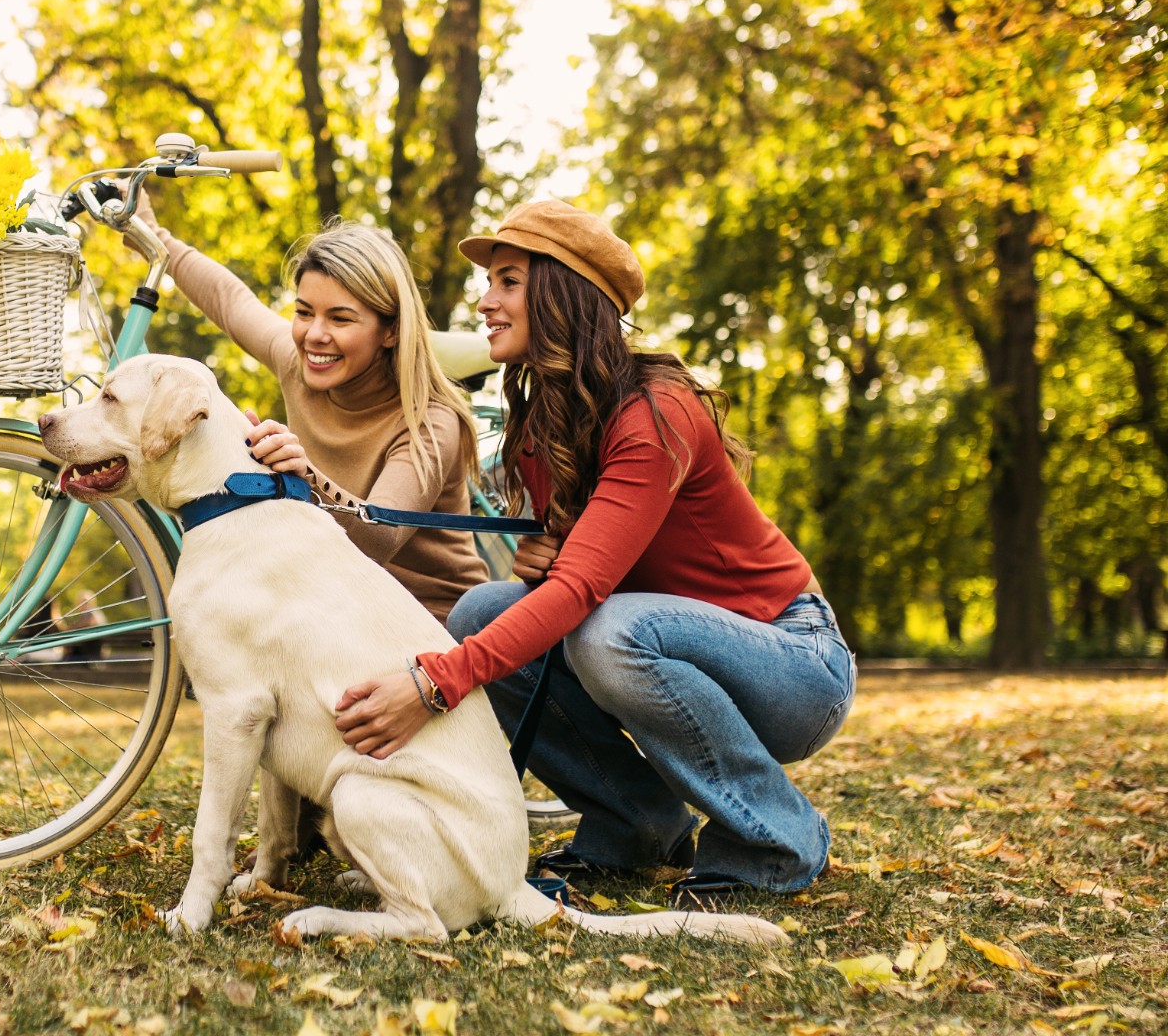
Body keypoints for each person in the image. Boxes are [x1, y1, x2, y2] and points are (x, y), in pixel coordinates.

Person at [326, 199, 856, 909]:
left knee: (609, 633)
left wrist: (434, 684)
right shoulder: (547, 420)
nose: (485, 302)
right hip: (681, 646)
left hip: (796, 664)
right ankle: (636, 827)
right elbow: (580, 573)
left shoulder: (656, 411)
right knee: (484, 609)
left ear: (562, 293)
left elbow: (582, 594)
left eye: (507, 281)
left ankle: (779, 838)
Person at [139, 196, 488, 620]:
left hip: (431, 624)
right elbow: (229, 300)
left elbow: (380, 539)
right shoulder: (297, 363)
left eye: (340, 319)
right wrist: (151, 235)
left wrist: (305, 477)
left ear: (391, 331)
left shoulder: (430, 421)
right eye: (304, 312)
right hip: (337, 609)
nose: (314, 335)